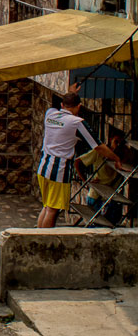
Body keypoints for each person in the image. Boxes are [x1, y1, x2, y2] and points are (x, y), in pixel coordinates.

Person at [37, 84, 123, 229]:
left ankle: (35, 238)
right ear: (79, 106)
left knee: (46, 207)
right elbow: (98, 146)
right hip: (59, 170)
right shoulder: (76, 123)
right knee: (52, 210)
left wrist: (70, 93)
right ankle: (44, 241)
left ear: (63, 105)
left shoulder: (50, 113)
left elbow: (62, 104)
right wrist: (116, 158)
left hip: (43, 167)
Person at [74, 128, 132, 224]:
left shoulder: (124, 154)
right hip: (97, 196)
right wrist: (85, 181)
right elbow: (77, 162)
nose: (117, 145)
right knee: (95, 226)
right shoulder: (100, 151)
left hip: (113, 197)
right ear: (110, 140)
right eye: (116, 142)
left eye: (120, 143)